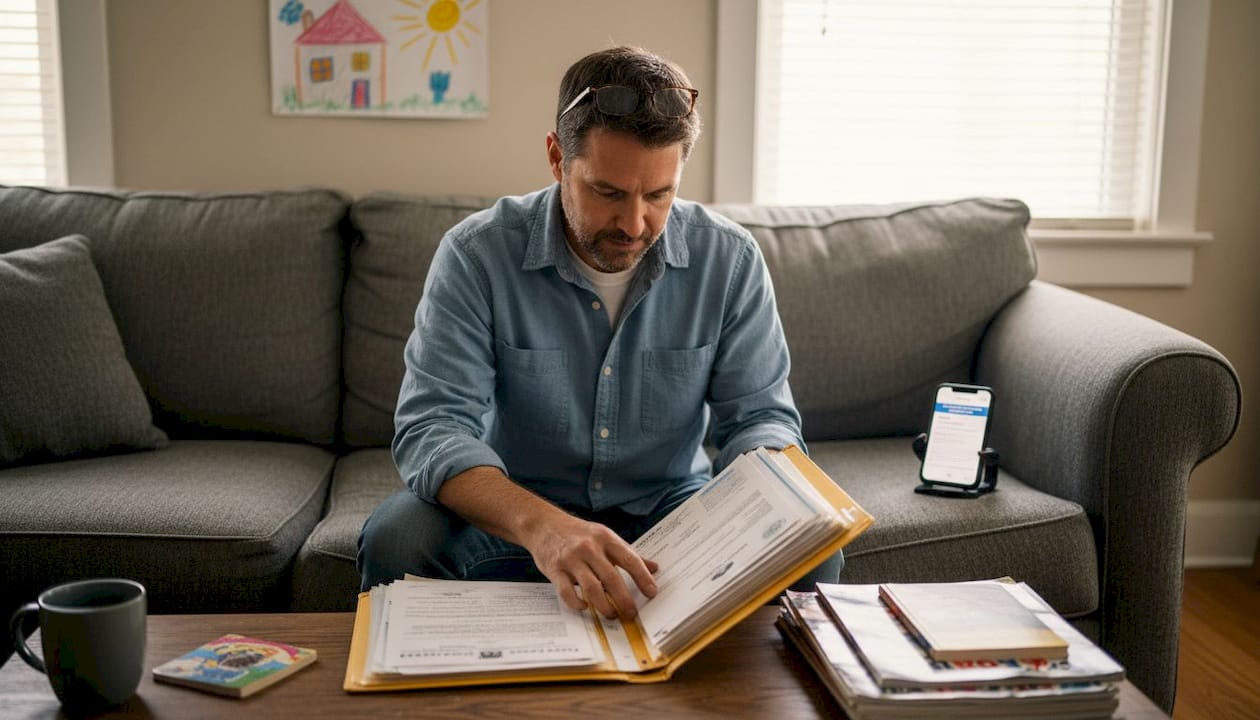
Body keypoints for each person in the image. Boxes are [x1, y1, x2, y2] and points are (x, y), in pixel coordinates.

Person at [357, 46, 842, 621]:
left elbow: (760, 417)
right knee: (398, 538)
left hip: (670, 510)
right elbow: (433, 427)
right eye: (608, 192)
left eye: (659, 195)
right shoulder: (477, 255)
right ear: (557, 158)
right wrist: (545, 528)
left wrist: (777, 486)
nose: (634, 225)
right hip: (520, 515)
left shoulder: (730, 258)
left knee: (813, 548)